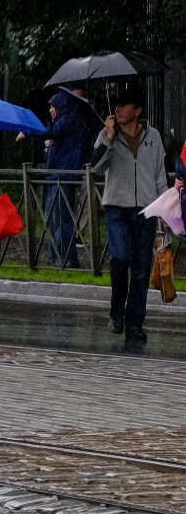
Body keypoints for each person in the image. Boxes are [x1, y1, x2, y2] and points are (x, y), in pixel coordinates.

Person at [92, 89, 166, 342]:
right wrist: (110, 137)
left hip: (146, 210)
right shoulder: (107, 135)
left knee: (142, 269)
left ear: (138, 110)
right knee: (121, 257)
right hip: (116, 208)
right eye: (117, 105)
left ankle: (135, 323)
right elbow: (95, 166)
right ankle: (116, 313)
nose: (118, 109)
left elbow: (159, 175)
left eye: (124, 105)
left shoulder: (153, 137)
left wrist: (163, 209)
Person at [44, 90, 88, 268]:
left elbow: (53, 133)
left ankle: (67, 258)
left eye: (53, 106)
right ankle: (59, 257)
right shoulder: (71, 121)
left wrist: (33, 130)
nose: (51, 110)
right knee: (57, 219)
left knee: (61, 219)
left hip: (62, 176)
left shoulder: (68, 120)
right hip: (60, 175)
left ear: (61, 106)